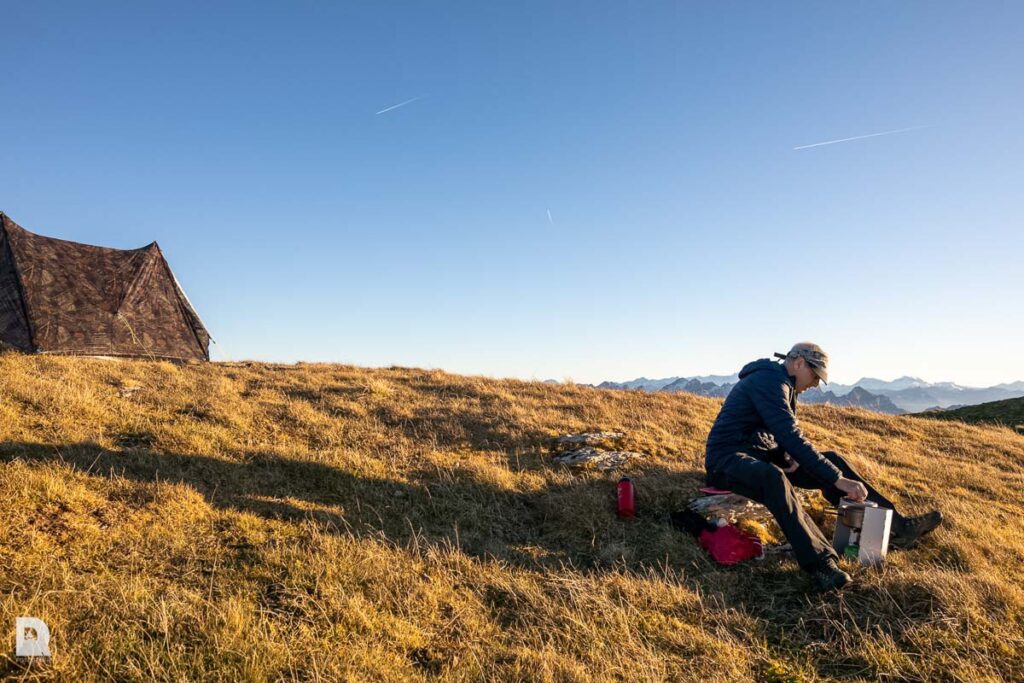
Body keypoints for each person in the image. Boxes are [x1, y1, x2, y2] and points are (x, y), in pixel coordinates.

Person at [704, 342, 943, 591]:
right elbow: (789, 433)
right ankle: (821, 564)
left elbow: (766, 433)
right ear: (798, 363)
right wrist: (837, 479)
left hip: (758, 454)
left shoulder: (781, 382)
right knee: (774, 477)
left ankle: (899, 528)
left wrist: (784, 457)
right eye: (815, 375)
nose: (816, 384)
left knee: (832, 459)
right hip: (726, 461)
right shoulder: (769, 381)